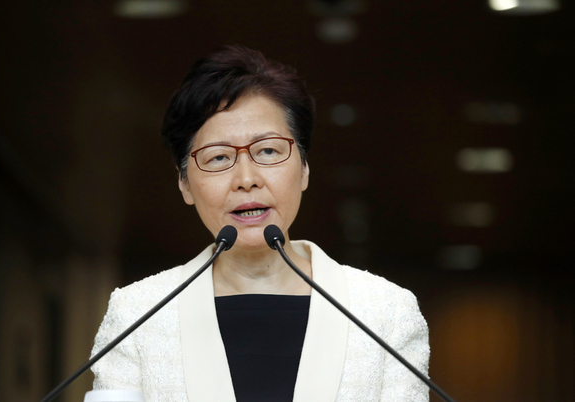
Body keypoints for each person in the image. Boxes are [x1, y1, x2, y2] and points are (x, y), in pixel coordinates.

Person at [90, 45, 430, 402]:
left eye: (268, 151)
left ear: (304, 169)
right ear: (185, 184)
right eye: (219, 157)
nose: (246, 179)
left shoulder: (385, 312)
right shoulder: (137, 313)